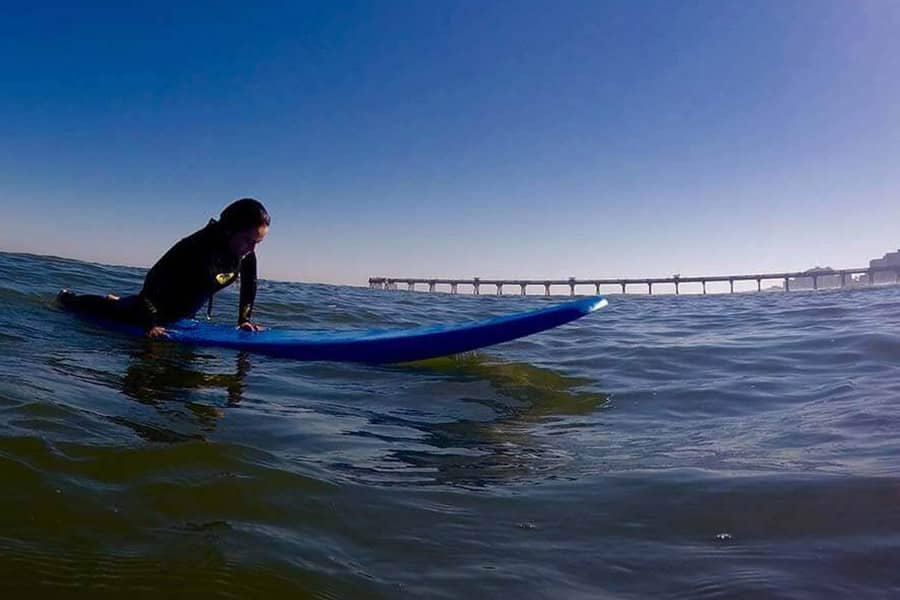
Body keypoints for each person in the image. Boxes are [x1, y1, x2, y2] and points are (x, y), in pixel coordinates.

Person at [59, 198, 270, 338]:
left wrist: (244, 320)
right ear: (229, 230)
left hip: (180, 318)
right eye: (248, 240)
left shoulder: (245, 252)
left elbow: (249, 284)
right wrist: (150, 325)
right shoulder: (194, 248)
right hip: (147, 312)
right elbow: (153, 280)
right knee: (109, 310)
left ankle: (121, 301)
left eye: (257, 243)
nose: (252, 248)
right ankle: (67, 298)